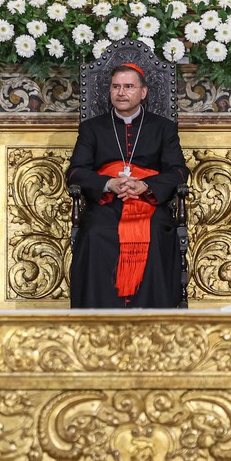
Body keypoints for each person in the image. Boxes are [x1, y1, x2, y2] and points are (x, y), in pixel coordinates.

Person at [67, 63, 188, 308]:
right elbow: (75, 171)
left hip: (149, 203)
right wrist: (108, 183)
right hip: (107, 203)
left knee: (156, 233)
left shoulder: (163, 128)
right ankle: (97, 314)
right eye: (116, 87)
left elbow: (178, 170)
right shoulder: (92, 128)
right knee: (95, 234)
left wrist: (146, 186)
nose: (121, 92)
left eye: (129, 87)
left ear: (143, 92)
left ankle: (152, 314)